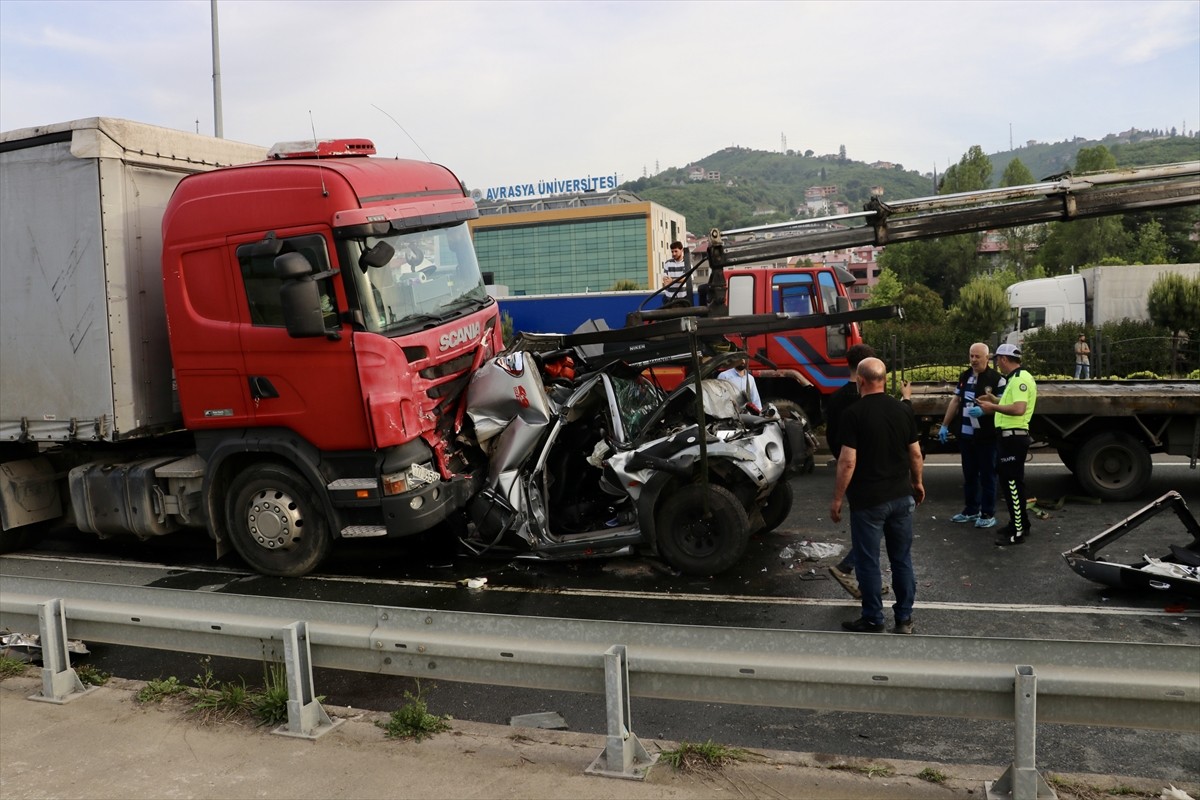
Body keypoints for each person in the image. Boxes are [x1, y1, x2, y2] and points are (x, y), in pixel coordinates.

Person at [829, 357, 924, 634]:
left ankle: (873, 618)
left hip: (868, 501)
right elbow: (915, 453)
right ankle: (904, 619)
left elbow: (847, 462)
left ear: (860, 380)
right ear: (883, 379)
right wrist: (917, 483)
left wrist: (837, 499)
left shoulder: (853, 414)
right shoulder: (903, 410)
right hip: (901, 497)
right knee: (901, 560)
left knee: (868, 561)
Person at [975, 343, 1037, 546]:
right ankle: (1020, 524)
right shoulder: (1016, 378)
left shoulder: (1020, 379)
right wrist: (995, 399)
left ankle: (1017, 532)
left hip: (1013, 438)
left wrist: (991, 406)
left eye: (997, 360)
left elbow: (1019, 409)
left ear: (1003, 359)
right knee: (1011, 482)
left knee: (1012, 484)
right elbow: (1011, 403)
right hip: (1009, 437)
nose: (997, 364)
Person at [937, 343, 1004, 530]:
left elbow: (1004, 407)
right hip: (966, 436)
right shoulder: (965, 376)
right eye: (971, 356)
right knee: (970, 475)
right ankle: (971, 509)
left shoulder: (997, 380)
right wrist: (944, 425)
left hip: (986, 436)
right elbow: (956, 400)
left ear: (987, 358)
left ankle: (987, 513)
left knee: (988, 475)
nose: (973, 360)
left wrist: (985, 412)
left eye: (977, 356)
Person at [661, 241, 689, 305]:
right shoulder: (668, 263)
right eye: (672, 251)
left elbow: (686, 279)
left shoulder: (687, 263)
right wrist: (666, 281)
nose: (674, 254)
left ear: (681, 250)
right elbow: (665, 278)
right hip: (669, 299)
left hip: (683, 299)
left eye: (676, 251)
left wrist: (672, 280)